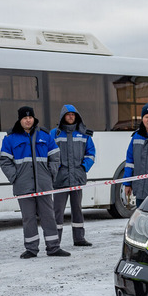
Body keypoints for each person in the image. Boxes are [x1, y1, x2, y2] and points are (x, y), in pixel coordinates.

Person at [0, 106, 69, 258]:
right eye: (24, 118)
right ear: (20, 120)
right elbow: (4, 160)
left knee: (48, 216)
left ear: (33, 118)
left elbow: (55, 156)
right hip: (23, 185)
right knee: (28, 218)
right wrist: (14, 177)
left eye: (30, 117)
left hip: (43, 184)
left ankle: (54, 247)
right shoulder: (10, 138)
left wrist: (50, 174)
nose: (28, 120)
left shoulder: (45, 136)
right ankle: (31, 249)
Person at [49, 104, 96, 247]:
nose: (71, 117)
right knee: (57, 211)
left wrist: (83, 168)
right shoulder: (54, 134)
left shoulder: (84, 134)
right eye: (68, 114)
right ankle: (54, 241)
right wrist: (54, 170)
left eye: (73, 114)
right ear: (63, 117)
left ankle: (79, 238)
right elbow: (48, 154)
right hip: (60, 179)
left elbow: (91, 154)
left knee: (77, 209)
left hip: (77, 177)